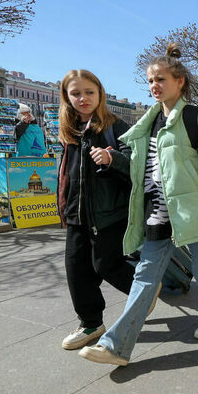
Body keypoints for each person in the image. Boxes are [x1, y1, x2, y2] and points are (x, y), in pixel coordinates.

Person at [79, 43, 198, 367]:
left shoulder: (196, 118)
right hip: (157, 211)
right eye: (151, 80)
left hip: (192, 211)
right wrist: (113, 158)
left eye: (161, 79)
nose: (154, 86)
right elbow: (143, 167)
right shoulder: (148, 123)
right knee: (145, 275)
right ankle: (116, 346)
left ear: (180, 82)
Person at [56, 70, 136, 350]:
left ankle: (144, 292)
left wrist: (112, 157)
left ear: (100, 94)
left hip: (108, 213)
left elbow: (137, 163)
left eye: (89, 92)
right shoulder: (69, 128)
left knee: (107, 264)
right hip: (77, 213)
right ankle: (91, 324)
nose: (83, 98)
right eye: (76, 93)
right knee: (76, 269)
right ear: (67, 96)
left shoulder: (115, 125)